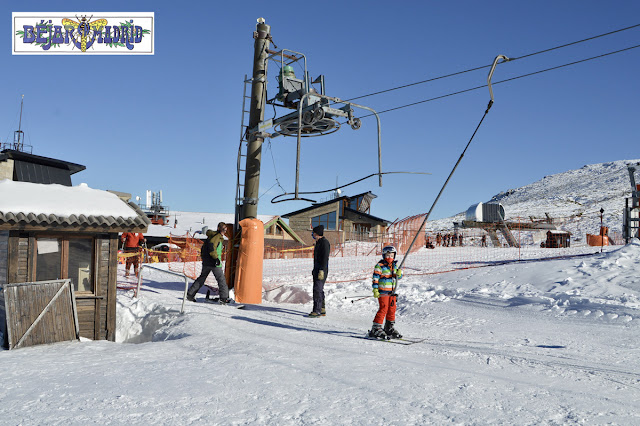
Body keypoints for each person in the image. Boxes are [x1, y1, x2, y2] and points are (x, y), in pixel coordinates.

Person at [187, 222, 230, 303]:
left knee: (202, 278)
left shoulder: (212, 236)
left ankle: (190, 294)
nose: (225, 231)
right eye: (223, 229)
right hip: (214, 263)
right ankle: (224, 298)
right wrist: (215, 258)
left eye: (225, 229)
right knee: (221, 280)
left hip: (207, 262)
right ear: (219, 229)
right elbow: (211, 247)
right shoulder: (216, 237)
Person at [369, 245, 403, 339]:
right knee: (383, 308)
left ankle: (389, 327)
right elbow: (375, 279)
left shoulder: (394, 266)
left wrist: (399, 274)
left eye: (391, 255)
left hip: (392, 292)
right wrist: (375, 289)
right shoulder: (379, 266)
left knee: (392, 309)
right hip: (383, 292)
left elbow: (398, 277)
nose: (389, 258)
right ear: (384, 256)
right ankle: (376, 328)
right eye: (387, 255)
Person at [308, 225, 330, 318]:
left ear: (317, 234)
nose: (312, 235)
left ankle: (316, 311)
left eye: (314, 233)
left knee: (317, 289)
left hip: (322, 269)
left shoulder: (324, 243)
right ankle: (322, 308)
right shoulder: (318, 243)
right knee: (319, 289)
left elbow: (325, 258)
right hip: (317, 268)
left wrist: (321, 270)